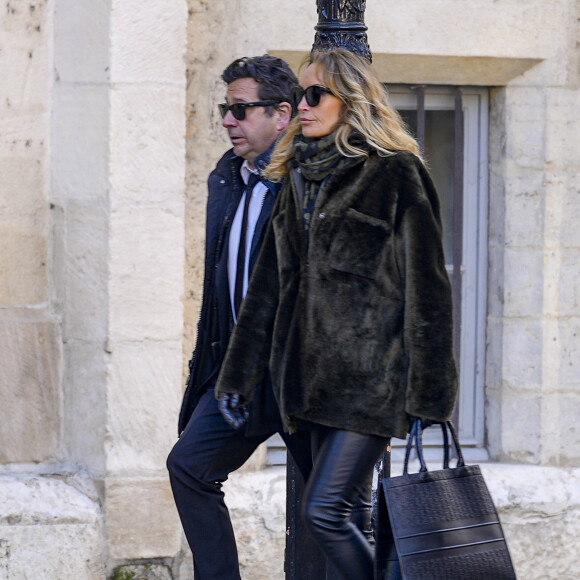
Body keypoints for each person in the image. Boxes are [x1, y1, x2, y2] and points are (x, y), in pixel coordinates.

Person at [215, 48, 459, 580]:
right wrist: (238, 377)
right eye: (299, 95)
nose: (301, 105)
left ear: (350, 100)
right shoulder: (299, 175)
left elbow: (429, 292)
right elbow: (267, 291)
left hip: (369, 385)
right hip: (302, 388)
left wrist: (430, 394)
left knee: (323, 511)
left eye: (313, 94)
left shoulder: (397, 174)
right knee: (346, 515)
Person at [166, 55, 313, 580]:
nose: (228, 121)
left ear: (281, 113)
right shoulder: (230, 177)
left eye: (240, 110)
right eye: (225, 110)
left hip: (300, 373)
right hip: (240, 373)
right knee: (189, 467)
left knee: (326, 508)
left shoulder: (308, 177)